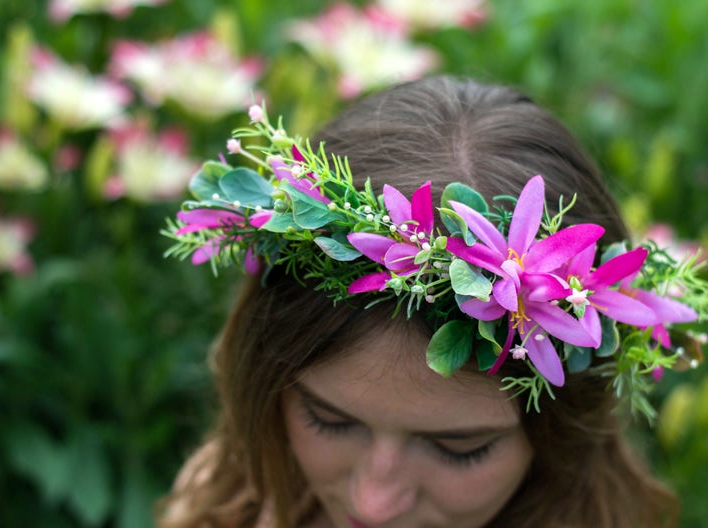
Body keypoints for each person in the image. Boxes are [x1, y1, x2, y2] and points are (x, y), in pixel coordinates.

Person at [157, 76, 704, 528]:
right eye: (327, 420)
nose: (374, 504)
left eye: (458, 449)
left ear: (560, 436)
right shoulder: (214, 508)